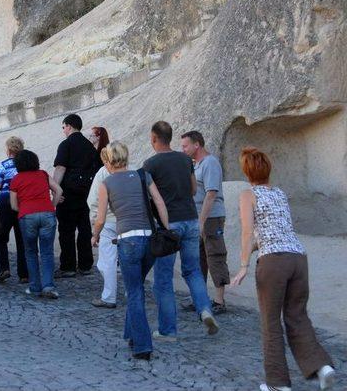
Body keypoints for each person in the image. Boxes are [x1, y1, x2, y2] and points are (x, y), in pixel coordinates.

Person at [231, 147, 336, 391]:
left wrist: (244, 264)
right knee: (297, 315)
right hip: (298, 258)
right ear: (268, 169)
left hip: (274, 262)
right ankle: (322, 366)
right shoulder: (279, 193)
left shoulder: (248, 195)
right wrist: (257, 246)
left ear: (247, 172)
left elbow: (247, 231)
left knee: (270, 322)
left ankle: (278, 384)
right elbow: (276, 229)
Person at [91, 141, 169, 362]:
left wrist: (95, 235)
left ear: (108, 159)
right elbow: (160, 203)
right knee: (136, 286)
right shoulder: (143, 176)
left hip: (128, 240)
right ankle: (131, 333)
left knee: (134, 292)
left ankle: (142, 346)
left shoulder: (106, 183)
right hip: (150, 239)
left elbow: (101, 218)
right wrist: (168, 229)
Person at [144, 121, 220, 339]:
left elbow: (149, 196)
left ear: (154, 138)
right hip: (190, 219)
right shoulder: (185, 160)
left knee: (164, 279)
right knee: (193, 270)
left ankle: (168, 330)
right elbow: (194, 188)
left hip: (169, 224)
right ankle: (204, 308)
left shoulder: (151, 164)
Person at [181, 130, 230, 313]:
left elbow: (211, 193)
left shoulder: (210, 163)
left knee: (215, 255)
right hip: (199, 217)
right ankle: (199, 296)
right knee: (198, 257)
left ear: (196, 145)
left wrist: (201, 222)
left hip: (211, 217)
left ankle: (219, 300)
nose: (183, 149)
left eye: (185, 145)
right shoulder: (196, 164)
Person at [53, 114, 102, 277]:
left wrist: (55, 189)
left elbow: (60, 168)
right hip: (87, 194)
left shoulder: (66, 145)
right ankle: (85, 264)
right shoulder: (89, 146)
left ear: (69, 126)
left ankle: (68, 266)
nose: (63, 131)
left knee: (66, 230)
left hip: (68, 193)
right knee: (84, 229)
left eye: (63, 127)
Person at [10, 149, 63, 298]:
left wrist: (25, 210)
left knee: (31, 252)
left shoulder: (16, 179)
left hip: (27, 216)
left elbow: (13, 205)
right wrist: (52, 205)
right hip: (47, 214)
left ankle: (35, 287)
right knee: (47, 252)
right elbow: (58, 190)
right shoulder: (43, 174)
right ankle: (49, 286)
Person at [0, 136, 28, 285]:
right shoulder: (25, 164)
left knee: (0, 237)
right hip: (22, 201)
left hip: (5, 201)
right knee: (22, 239)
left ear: (8, 150)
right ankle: (24, 274)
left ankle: (4, 269)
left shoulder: (4, 165)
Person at [87, 148, 118, 308]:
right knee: (129, 259)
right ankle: (133, 290)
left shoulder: (103, 173)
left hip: (109, 221)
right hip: (130, 220)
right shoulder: (133, 170)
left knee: (107, 261)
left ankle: (109, 296)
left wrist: (95, 228)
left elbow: (93, 202)